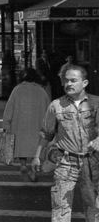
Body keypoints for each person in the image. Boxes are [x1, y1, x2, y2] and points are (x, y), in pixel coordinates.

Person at [31, 64, 99, 221]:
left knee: (93, 208)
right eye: (66, 81)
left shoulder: (96, 104)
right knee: (60, 208)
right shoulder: (56, 105)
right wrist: (37, 156)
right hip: (65, 163)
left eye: (73, 80)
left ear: (85, 83)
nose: (68, 84)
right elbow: (46, 133)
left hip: (93, 163)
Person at [2, 68, 50, 180]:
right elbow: (49, 109)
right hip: (37, 125)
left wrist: (6, 124)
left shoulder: (17, 90)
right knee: (36, 148)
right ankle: (33, 171)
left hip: (20, 125)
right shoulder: (42, 91)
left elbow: (9, 108)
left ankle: (23, 165)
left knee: (21, 145)